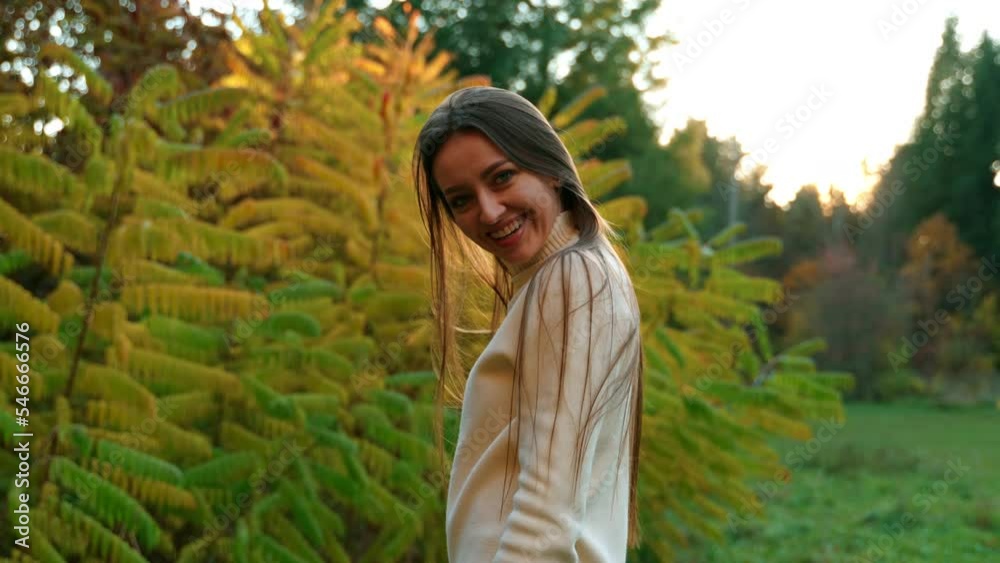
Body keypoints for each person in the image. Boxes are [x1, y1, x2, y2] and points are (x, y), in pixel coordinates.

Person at [412, 86, 644, 562]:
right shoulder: (572, 274)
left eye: (502, 177)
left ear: (549, 166)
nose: (488, 212)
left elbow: (546, 509)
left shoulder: (572, 278)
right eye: (461, 201)